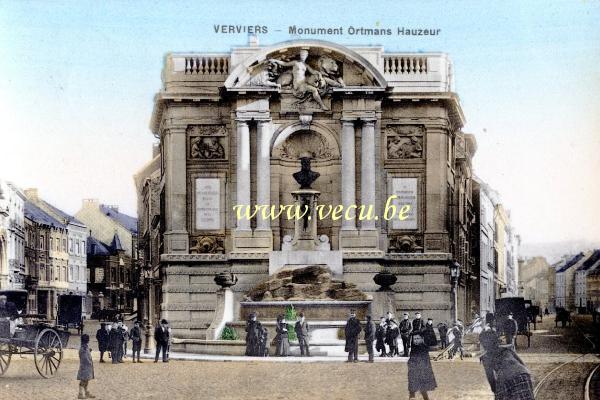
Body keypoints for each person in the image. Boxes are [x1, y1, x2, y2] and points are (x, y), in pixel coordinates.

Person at [479, 329, 534, 400]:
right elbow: (521, 363)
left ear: (484, 344)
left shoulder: (486, 357)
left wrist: (496, 392)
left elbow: (491, 378)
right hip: (523, 374)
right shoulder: (507, 348)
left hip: (506, 378)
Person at [407, 333, 437, 400]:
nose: (416, 341)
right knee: (415, 389)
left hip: (421, 372)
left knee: (420, 389)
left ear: (422, 339)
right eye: (414, 339)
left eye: (417, 339)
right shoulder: (415, 347)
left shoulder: (422, 347)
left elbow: (422, 360)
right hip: (414, 371)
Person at [77, 334, 95, 399]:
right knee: (83, 381)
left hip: (86, 367)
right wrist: (89, 363)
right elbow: (85, 358)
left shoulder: (85, 347)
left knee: (86, 380)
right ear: (87, 340)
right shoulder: (84, 348)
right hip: (85, 367)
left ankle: (86, 392)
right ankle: (80, 394)